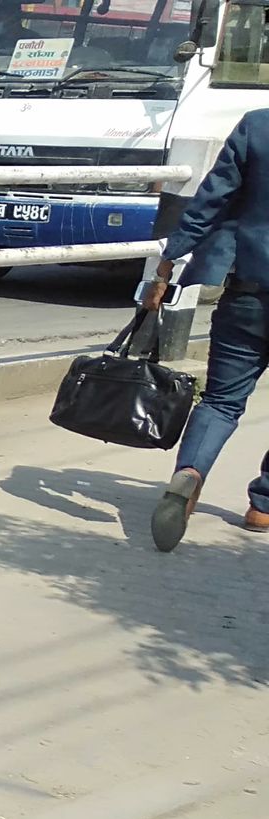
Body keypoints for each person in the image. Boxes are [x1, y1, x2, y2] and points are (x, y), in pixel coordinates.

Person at [144, 108, 269, 548]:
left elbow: (211, 199)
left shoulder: (258, 126)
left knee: (220, 402)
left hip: (250, 292)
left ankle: (188, 475)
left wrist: (169, 260)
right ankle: (263, 507)